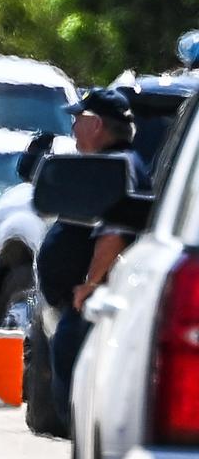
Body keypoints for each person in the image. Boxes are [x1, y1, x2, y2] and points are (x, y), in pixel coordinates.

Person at [37, 89, 149, 433]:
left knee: (81, 402)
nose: (73, 128)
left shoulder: (118, 167)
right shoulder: (109, 164)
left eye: (78, 120)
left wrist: (91, 283)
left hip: (94, 306)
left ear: (96, 124)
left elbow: (114, 233)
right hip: (85, 304)